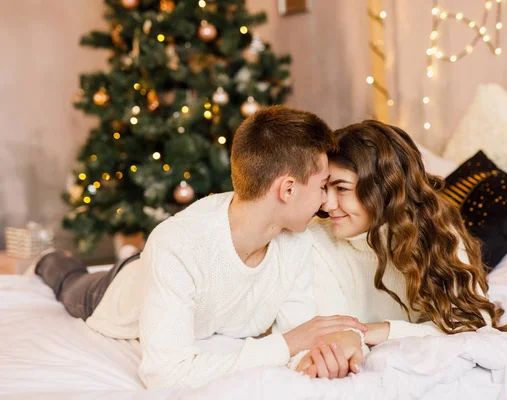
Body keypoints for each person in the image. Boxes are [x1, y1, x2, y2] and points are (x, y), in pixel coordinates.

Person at [33, 106, 367, 388]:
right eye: (323, 186)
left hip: (166, 266)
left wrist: (320, 356)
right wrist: (288, 344)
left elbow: (298, 336)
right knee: (70, 282)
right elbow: (165, 374)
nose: (326, 201)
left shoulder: (296, 240)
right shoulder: (178, 245)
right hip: (118, 292)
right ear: (288, 189)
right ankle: (52, 258)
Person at [294, 120, 507, 376]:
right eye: (325, 187)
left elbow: (472, 324)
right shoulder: (316, 240)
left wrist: (380, 330)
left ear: (384, 189)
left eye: (341, 188)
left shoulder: (438, 235)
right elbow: (333, 337)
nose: (326, 203)